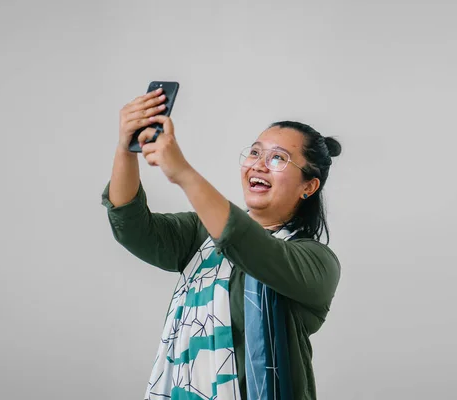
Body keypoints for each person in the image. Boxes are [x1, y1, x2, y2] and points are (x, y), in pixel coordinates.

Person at [101, 87, 342, 400]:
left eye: (278, 159)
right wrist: (125, 148)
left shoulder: (316, 262)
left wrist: (184, 174)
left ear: (308, 186)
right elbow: (132, 226)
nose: (258, 165)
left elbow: (251, 247)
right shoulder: (201, 235)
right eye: (255, 152)